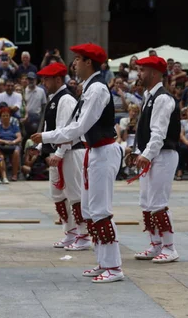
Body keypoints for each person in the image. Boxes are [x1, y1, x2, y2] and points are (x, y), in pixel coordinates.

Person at [31, 43, 124, 284]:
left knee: (101, 210)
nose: (73, 64)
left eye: (77, 59)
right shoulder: (89, 88)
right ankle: (104, 262)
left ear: (88, 62)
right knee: (91, 210)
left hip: (103, 151)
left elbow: (79, 127)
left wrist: (48, 137)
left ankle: (113, 266)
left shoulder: (97, 89)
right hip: (95, 151)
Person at [126, 56, 181, 264]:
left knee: (158, 202)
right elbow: (144, 131)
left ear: (155, 73)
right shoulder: (149, 96)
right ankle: (155, 243)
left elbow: (158, 133)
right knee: (146, 202)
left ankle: (169, 247)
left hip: (164, 155)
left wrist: (146, 154)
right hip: (152, 155)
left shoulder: (162, 98)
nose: (138, 73)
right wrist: (138, 150)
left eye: (142, 70)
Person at [36, 62, 91, 252]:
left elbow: (68, 130)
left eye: (46, 78)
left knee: (75, 196)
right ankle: (70, 232)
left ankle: (83, 235)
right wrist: (39, 147)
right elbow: (48, 128)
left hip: (71, 152)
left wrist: (59, 153)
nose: (43, 81)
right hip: (58, 152)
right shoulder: (53, 98)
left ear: (58, 79)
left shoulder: (66, 99)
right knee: (58, 195)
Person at [0, 108, 22, 182]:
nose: (5, 117)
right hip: (2, 145)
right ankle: (1, 174)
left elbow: (19, 138)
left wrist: (13, 142)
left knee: (16, 152)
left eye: (7, 116)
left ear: (10, 117)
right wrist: (5, 142)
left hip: (13, 145)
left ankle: (14, 174)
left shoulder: (14, 127)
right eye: (3, 116)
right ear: (1, 117)